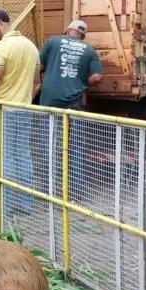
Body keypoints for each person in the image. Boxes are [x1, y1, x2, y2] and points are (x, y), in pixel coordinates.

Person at [0, 9, 39, 214]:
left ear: (1, 24)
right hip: (24, 109)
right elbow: (37, 82)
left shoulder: (0, 48)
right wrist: (25, 99)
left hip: (4, 110)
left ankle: (4, 205)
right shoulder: (31, 47)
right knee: (24, 154)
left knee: (4, 156)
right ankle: (25, 205)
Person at [39, 20, 103, 201]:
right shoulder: (89, 50)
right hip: (74, 103)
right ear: (83, 35)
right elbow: (97, 77)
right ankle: (75, 193)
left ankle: (47, 190)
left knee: (48, 146)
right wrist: (84, 82)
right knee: (75, 147)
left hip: (49, 101)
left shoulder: (52, 42)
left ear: (68, 30)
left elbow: (40, 66)